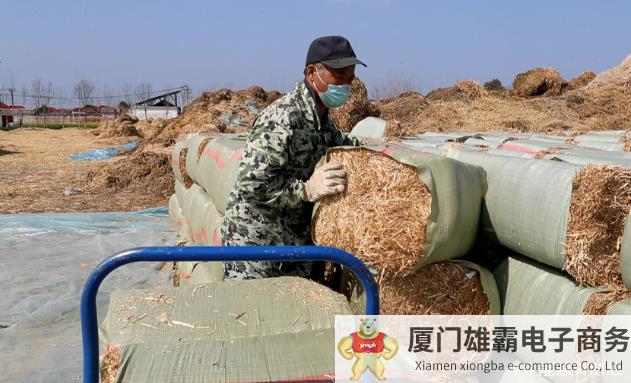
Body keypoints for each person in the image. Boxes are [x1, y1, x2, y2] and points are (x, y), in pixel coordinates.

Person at [220, 35, 366, 280]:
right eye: (340, 78)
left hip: (293, 244)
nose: (346, 87)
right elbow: (252, 184)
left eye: (350, 79)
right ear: (312, 73)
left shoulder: (321, 119)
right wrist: (306, 190)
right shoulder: (283, 118)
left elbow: (343, 146)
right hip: (257, 247)